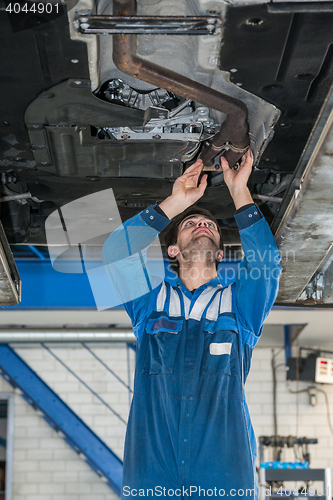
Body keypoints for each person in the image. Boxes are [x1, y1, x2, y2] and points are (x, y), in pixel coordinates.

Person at [102, 150, 282, 499]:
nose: (202, 225)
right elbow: (116, 254)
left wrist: (239, 190)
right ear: (172, 250)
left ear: (219, 251)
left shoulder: (240, 306)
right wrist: (174, 202)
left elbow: (266, 262)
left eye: (210, 226)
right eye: (190, 223)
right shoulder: (149, 305)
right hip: (152, 467)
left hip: (224, 469)